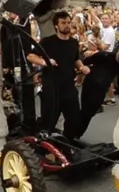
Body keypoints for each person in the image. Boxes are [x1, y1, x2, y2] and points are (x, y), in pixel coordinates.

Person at [26, 11, 89, 139]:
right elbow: (30, 56)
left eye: (68, 22)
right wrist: (44, 61)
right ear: (56, 25)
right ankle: (44, 149)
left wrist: (82, 67)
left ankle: (66, 144)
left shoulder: (73, 43)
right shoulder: (48, 42)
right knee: (48, 122)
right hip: (51, 89)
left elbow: (75, 59)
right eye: (63, 23)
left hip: (69, 88)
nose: (67, 25)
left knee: (74, 121)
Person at [76, 42, 119, 139]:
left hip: (101, 92)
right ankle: (75, 134)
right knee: (85, 112)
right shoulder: (104, 55)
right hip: (90, 87)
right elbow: (85, 61)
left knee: (90, 114)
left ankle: (76, 133)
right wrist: (83, 68)